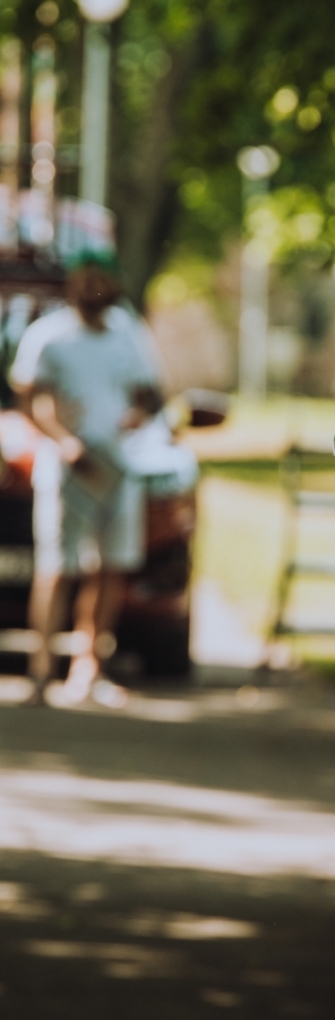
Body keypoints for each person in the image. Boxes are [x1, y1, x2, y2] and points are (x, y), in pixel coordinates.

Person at [9, 252, 163, 704]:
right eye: (87, 277)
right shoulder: (48, 337)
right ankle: (40, 670)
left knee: (109, 567)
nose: (95, 285)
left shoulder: (129, 335)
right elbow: (33, 399)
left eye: (103, 277)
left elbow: (150, 395)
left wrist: (137, 416)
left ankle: (89, 668)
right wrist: (63, 440)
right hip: (68, 467)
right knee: (56, 568)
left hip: (119, 467)